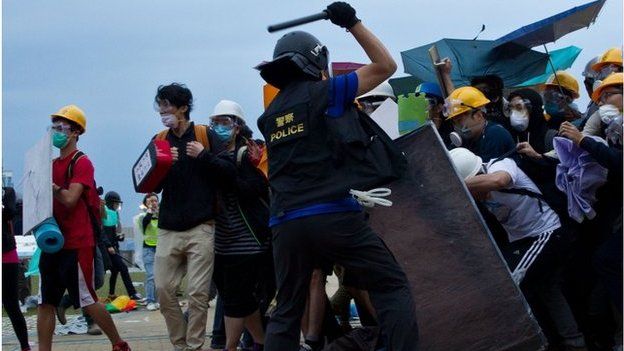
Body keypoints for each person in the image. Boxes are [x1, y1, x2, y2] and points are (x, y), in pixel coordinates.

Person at [256, 2, 418, 350]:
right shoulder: (327, 92)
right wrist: (352, 23)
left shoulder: (269, 116)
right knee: (390, 286)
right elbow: (385, 66)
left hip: (284, 223)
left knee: (286, 309)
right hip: (332, 214)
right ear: (316, 62)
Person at [448, 147, 588, 351]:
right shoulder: (477, 192)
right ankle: (573, 341)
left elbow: (500, 181)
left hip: (545, 232)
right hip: (521, 241)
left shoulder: (499, 165)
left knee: (509, 284)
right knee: (546, 289)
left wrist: (455, 184)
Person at [40, 104, 130, 351]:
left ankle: (118, 343)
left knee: (87, 299)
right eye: (54, 127)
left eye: (62, 127)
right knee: (46, 303)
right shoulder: (50, 165)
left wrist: (52, 187)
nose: (57, 132)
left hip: (77, 242)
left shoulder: (82, 162)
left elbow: (70, 199)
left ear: (76, 133)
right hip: (53, 242)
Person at [152, 83, 231, 351]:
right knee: (163, 290)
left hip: (202, 225)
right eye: (160, 106)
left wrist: (204, 155)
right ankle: (180, 343)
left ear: (183, 107)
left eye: (167, 105)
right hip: (168, 227)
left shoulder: (204, 135)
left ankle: (194, 346)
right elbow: (148, 183)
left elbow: (228, 171)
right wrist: (162, 165)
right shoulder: (159, 139)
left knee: (198, 294)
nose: (163, 111)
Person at [208, 99, 273, 351]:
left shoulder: (247, 153)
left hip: (246, 240)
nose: (218, 128)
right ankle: (260, 342)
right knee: (240, 300)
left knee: (235, 299)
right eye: (215, 122)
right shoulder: (211, 155)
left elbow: (255, 188)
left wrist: (217, 167)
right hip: (221, 240)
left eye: (225, 122)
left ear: (237, 127)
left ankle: (230, 347)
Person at [444, 86, 516, 162]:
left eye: (459, 120)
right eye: (453, 121)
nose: (456, 126)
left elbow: (485, 171)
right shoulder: (468, 138)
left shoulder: (495, 134)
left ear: (478, 116)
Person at [3, 186, 31, 351]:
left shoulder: (6, 195)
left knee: (11, 304)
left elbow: (9, 212)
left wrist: (8, 195)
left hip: (6, 254)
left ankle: (25, 346)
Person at [103, 191, 141, 301]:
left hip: (114, 247)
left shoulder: (114, 214)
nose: (118, 206)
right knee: (123, 268)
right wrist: (108, 245)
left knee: (115, 271)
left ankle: (111, 294)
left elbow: (112, 232)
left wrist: (118, 237)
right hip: (107, 248)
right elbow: (103, 232)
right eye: (116, 203)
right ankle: (132, 293)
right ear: (111, 203)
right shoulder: (104, 213)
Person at [138, 193, 159, 311]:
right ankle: (150, 300)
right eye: (151, 201)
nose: (154, 203)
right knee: (151, 275)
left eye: (155, 201)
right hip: (148, 248)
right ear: (146, 203)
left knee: (160, 277)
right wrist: (150, 210)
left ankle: (157, 300)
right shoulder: (142, 216)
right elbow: (145, 222)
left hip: (160, 248)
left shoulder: (160, 215)